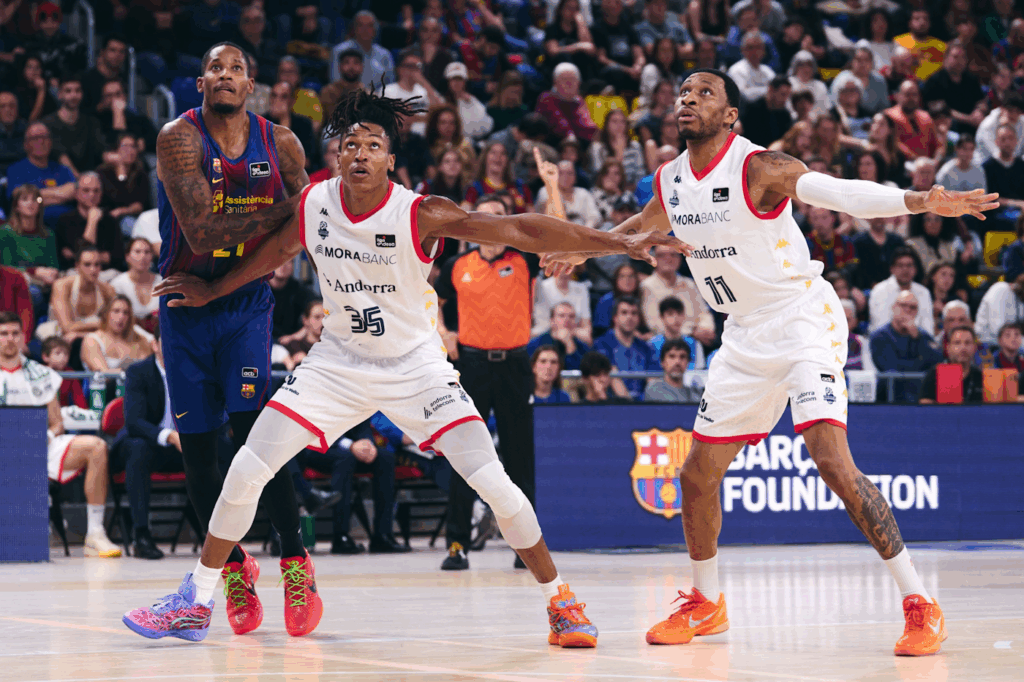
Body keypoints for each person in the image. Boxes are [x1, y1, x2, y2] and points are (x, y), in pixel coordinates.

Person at [128, 86, 683, 644]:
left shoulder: (420, 212)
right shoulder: (315, 203)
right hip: (337, 363)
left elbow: (521, 228)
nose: (361, 154)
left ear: (391, 160)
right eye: (351, 145)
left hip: (416, 367)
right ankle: (196, 600)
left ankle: (560, 601)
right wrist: (214, 289)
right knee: (248, 466)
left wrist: (613, 242)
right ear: (336, 157)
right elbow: (276, 253)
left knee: (495, 483)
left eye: (374, 145)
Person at [541, 68, 999, 655]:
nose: (688, 99)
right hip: (743, 334)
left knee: (831, 461)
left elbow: (839, 192)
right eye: (683, 92)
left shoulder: (759, 167)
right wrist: (582, 251)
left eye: (704, 92)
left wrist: (919, 199)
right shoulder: (672, 179)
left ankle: (920, 603)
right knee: (696, 476)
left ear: (730, 115)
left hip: (802, 318)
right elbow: (638, 229)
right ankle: (707, 603)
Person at [132, 43, 315, 639]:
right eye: (216, 67)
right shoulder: (178, 139)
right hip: (185, 303)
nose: (226, 75)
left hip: (245, 304)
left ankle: (295, 558)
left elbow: (311, 228)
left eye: (237, 68)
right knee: (199, 452)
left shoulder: (281, 143)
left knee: (256, 440)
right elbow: (204, 232)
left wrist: (301, 218)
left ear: (250, 84)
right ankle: (235, 567)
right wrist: (291, 208)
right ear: (200, 82)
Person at [433, 195, 540, 570]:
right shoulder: (457, 265)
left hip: (515, 365)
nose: (492, 221)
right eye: (486, 215)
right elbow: (433, 301)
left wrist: (551, 184)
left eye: (499, 215)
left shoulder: (523, 259)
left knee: (519, 458)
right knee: (466, 453)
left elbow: (555, 237)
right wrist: (443, 332)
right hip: (473, 365)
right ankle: (456, 544)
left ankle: (526, 547)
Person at [0, 311, 121, 557]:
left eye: (15, 333)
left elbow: (57, 423)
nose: (10, 339)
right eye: (3, 334)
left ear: (23, 337)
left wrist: (45, 436)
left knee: (96, 447)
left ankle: (95, 534)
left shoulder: (40, 373)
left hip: (37, 448)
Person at [119, 325, 185, 559]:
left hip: (183, 448)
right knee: (138, 450)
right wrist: (170, 436)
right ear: (154, 345)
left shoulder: (191, 371)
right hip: (149, 444)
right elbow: (134, 422)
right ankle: (141, 535)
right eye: (167, 341)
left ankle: (223, 535)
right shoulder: (138, 371)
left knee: (223, 447)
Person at [870, 291, 945, 402]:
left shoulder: (922, 336)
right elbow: (890, 367)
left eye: (913, 307)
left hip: (920, 396)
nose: (908, 310)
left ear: (917, 312)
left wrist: (917, 338)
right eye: (903, 305)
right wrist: (921, 364)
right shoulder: (879, 336)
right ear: (894, 307)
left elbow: (937, 361)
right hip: (890, 397)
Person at [640, 245, 715, 343]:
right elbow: (654, 324)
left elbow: (704, 313)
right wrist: (691, 333)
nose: (668, 259)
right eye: (662, 255)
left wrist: (705, 329)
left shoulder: (689, 284)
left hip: (698, 340)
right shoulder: (646, 286)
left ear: (680, 259)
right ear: (653, 259)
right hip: (665, 343)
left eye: (673, 255)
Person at [6, 121, 76, 225]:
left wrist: (36, 198)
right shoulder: (16, 170)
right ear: (26, 145)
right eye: (35, 138)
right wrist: (61, 194)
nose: (41, 141)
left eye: (45, 137)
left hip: (67, 225)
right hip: (33, 226)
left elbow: (74, 192)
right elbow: (19, 197)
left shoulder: (63, 169)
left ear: (51, 142)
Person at [54, 172, 125, 271]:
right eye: (86, 190)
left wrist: (75, 255)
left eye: (96, 191)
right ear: (76, 193)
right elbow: (76, 256)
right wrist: (92, 222)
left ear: (101, 193)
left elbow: (117, 258)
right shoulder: (65, 220)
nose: (92, 195)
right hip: (75, 273)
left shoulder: (110, 220)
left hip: (106, 274)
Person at [40, 74, 107, 176]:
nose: (74, 95)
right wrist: (80, 180)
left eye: (77, 91)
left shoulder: (91, 122)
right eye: (68, 91)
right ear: (59, 95)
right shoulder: (47, 124)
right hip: (56, 177)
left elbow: (102, 151)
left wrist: (119, 159)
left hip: (89, 177)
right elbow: (61, 157)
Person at [594, 297, 659, 400]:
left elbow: (653, 382)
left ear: (639, 318)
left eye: (634, 313)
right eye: (624, 313)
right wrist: (630, 405)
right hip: (614, 403)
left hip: (644, 402)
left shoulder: (646, 347)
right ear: (615, 318)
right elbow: (613, 378)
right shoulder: (602, 344)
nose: (629, 317)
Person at [46, 246, 116, 344]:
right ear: (77, 266)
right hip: (55, 338)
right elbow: (67, 327)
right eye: (87, 264)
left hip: (88, 338)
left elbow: (114, 327)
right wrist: (99, 323)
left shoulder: (107, 290)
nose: (93, 269)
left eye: (97, 265)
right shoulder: (62, 285)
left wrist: (80, 334)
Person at [919, 43, 985, 135]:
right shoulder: (934, 81)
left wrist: (979, 111)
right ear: (946, 58)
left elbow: (981, 101)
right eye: (955, 57)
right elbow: (941, 110)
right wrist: (968, 119)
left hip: (972, 123)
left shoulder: (971, 79)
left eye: (962, 57)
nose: (959, 61)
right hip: (947, 127)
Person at [868, 247, 935, 336]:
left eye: (909, 265)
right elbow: (880, 325)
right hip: (886, 340)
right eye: (900, 265)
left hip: (916, 339)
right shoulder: (879, 290)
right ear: (892, 269)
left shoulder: (924, 292)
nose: (905, 270)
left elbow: (928, 328)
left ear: (915, 269)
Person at [81, 294, 153, 372]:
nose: (121, 316)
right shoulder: (92, 340)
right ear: (106, 314)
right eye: (116, 311)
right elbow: (103, 373)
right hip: (107, 380)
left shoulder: (137, 337)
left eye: (126, 313)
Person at [97, 133, 151, 236]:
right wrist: (121, 168)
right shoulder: (103, 172)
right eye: (125, 146)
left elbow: (139, 205)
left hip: (131, 216)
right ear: (116, 150)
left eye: (133, 146)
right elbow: (117, 198)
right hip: (106, 217)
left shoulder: (140, 174)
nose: (129, 150)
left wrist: (122, 210)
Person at [535, 63, 597, 144]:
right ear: (555, 82)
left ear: (579, 83)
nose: (569, 83)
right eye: (564, 79)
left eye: (573, 79)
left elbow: (588, 125)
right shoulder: (546, 98)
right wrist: (571, 138)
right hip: (554, 143)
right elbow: (560, 123)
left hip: (579, 143)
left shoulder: (579, 100)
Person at [919, 325, 983, 404]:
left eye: (967, 343)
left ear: (974, 348)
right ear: (948, 348)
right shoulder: (935, 374)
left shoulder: (980, 376)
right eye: (957, 343)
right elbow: (925, 407)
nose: (963, 348)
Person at [528, 302, 591, 371]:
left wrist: (569, 344)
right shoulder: (535, 344)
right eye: (561, 316)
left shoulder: (583, 347)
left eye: (571, 316)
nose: (567, 320)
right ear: (552, 321)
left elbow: (581, 373)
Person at [649, 296, 706, 370]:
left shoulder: (695, 344)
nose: (676, 318)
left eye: (679, 313)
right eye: (670, 314)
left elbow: (700, 371)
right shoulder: (651, 345)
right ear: (661, 317)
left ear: (684, 316)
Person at [739, 75, 792, 148]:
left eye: (787, 96)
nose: (785, 99)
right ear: (771, 90)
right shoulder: (752, 109)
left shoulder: (785, 115)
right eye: (783, 94)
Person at [727, 31, 776, 106]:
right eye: (750, 47)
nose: (754, 51)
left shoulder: (767, 71)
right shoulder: (736, 70)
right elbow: (744, 95)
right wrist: (769, 90)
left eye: (758, 47)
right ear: (743, 50)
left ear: (763, 50)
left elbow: (777, 89)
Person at [976, 274, 1024, 346]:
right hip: (988, 344)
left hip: (1011, 346)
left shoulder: (1021, 302)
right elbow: (999, 331)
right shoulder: (1001, 289)